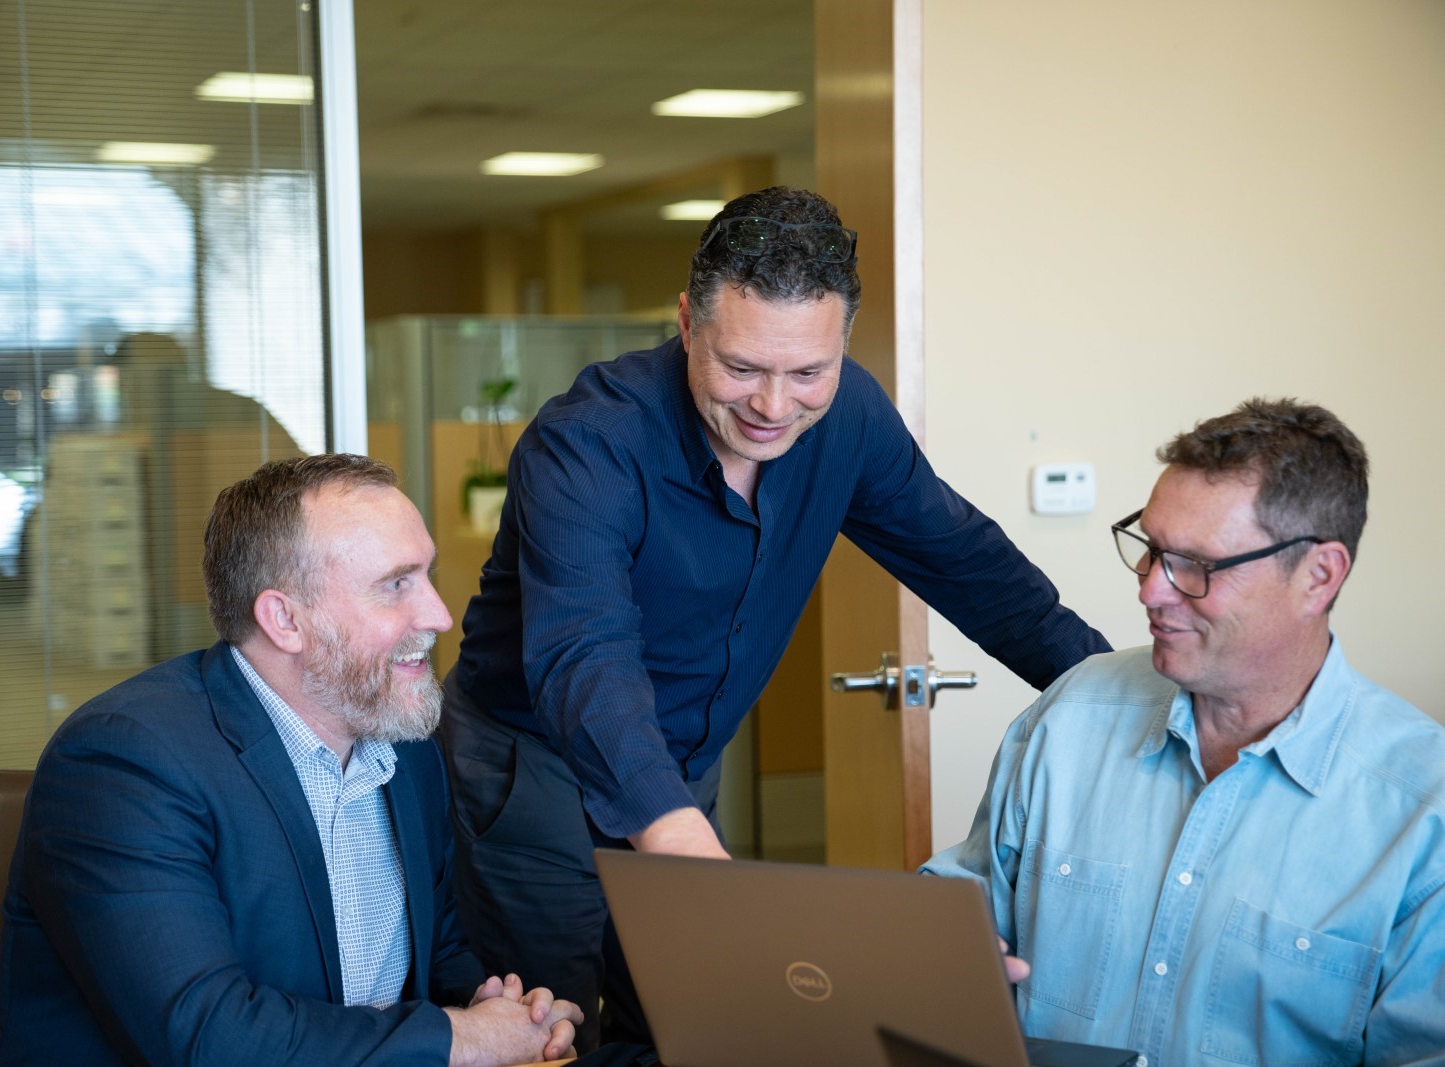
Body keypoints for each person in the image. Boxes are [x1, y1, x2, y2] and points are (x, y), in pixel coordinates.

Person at [437, 186, 1110, 1050]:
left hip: (681, 771)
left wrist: (1123, 697)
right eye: (742, 368)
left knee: (693, 1023)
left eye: (808, 372)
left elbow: (969, 564)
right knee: (551, 1033)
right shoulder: (590, 442)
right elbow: (585, 657)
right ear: (687, 323)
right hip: (533, 771)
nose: (773, 405)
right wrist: (687, 849)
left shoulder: (851, 418)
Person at [0, 454, 582, 1067]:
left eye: (426, 576)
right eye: (396, 584)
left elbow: (439, 957)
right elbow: (210, 1040)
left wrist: (501, 1009)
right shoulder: (123, 764)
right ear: (284, 620)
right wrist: (464, 1039)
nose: (438, 615)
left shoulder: (405, 752)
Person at [923, 399, 1445, 1066]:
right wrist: (942, 956)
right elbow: (952, 916)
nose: (1150, 591)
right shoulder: (1070, 716)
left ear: (1320, 575)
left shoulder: (1423, 811)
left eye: (1196, 565)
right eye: (1150, 549)